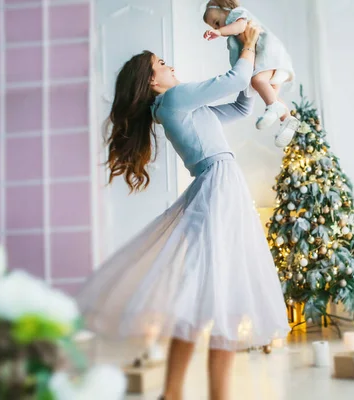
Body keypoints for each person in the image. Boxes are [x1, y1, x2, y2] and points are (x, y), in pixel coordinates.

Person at [76, 22, 289, 400]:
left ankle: (172, 393)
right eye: (161, 63)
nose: (169, 65)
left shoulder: (182, 107)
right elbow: (234, 78)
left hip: (218, 184)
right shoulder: (174, 101)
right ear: (151, 81)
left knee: (203, 295)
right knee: (223, 293)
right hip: (219, 184)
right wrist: (248, 46)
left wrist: (243, 58)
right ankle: (206, 395)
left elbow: (240, 103)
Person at [203, 0, 299, 148]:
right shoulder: (232, 31)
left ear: (225, 9)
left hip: (269, 55)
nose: (217, 27)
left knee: (257, 80)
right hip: (273, 62)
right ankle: (287, 120)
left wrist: (219, 32)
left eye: (216, 22)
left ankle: (273, 108)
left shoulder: (237, 14)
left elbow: (240, 26)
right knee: (271, 93)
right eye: (214, 26)